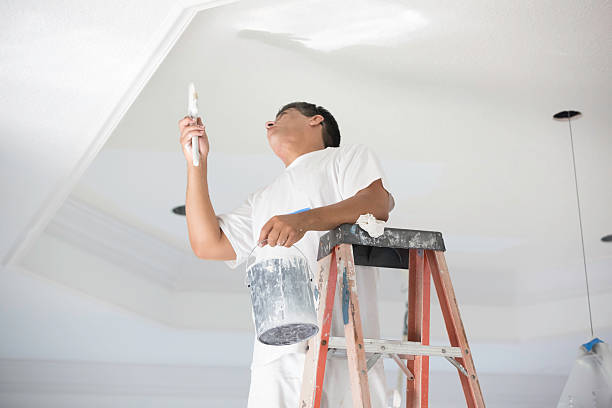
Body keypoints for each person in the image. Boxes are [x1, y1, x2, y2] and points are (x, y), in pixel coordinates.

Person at [178, 102, 396, 407]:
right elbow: (208, 244)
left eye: (282, 117)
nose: (269, 124)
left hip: (340, 348)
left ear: (316, 121)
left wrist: (303, 220)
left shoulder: (343, 158)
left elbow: (376, 202)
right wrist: (196, 163)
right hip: (275, 355)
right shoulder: (263, 198)